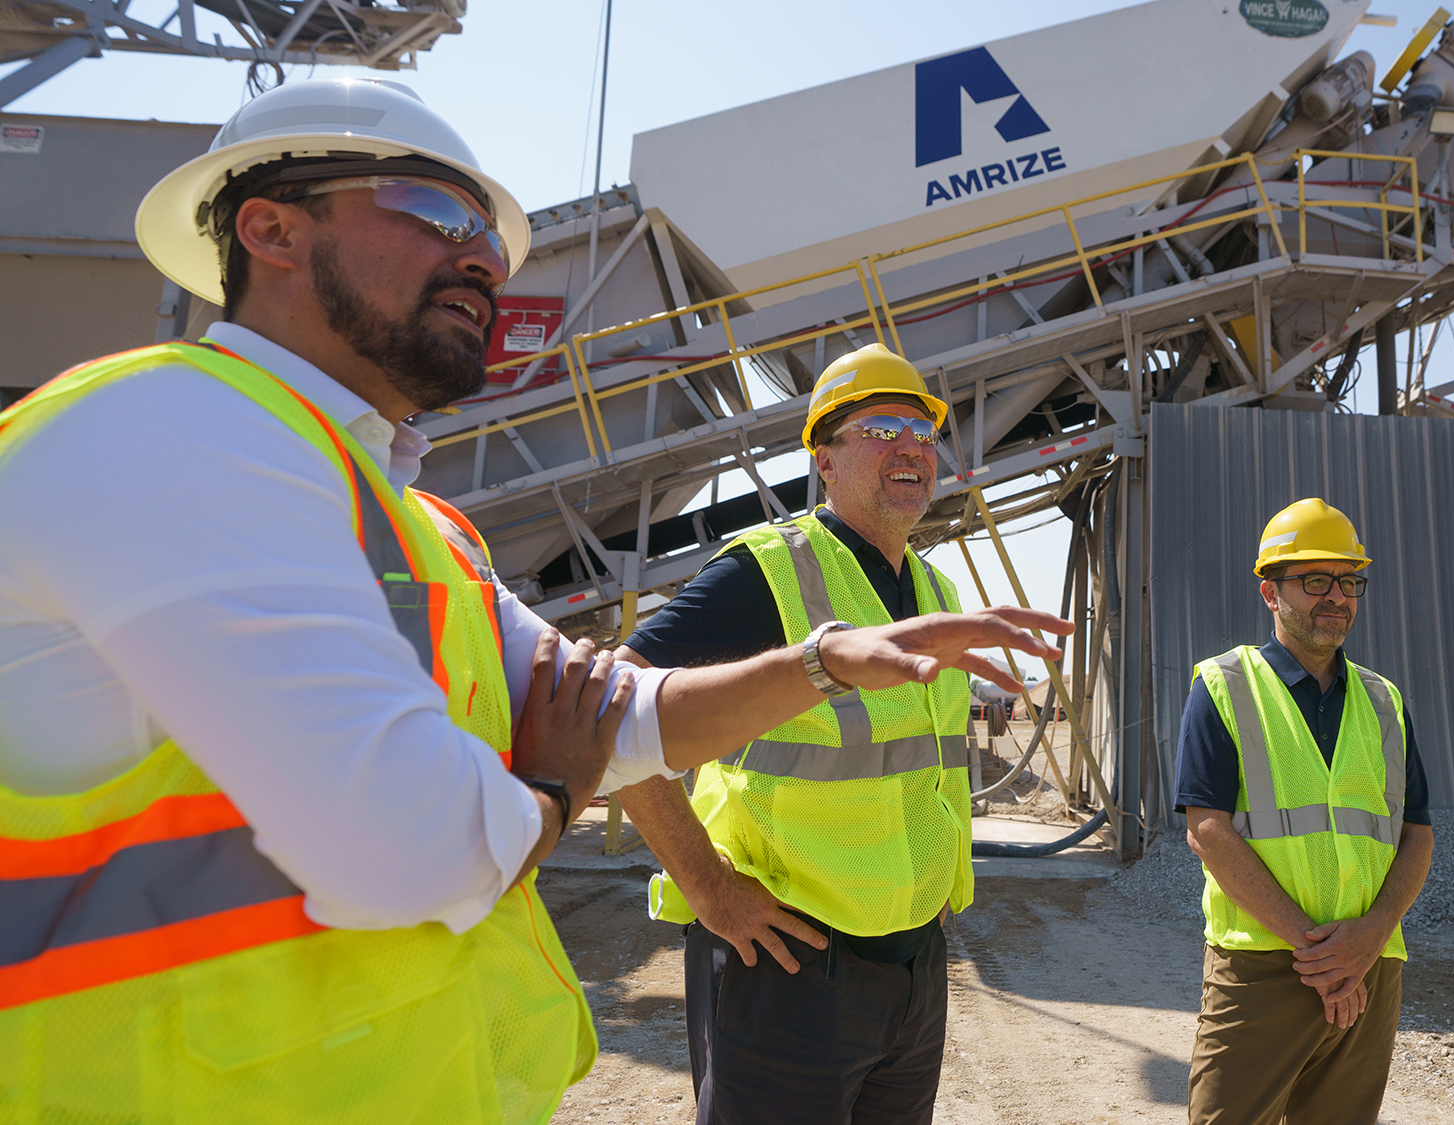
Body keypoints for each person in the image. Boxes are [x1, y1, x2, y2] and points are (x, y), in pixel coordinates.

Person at [0, 78, 1064, 1125]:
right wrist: (557, 788)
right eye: (434, 213)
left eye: (490, 238)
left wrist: (823, 661)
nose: (480, 256)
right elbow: (410, 852)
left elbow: (629, 716)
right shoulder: (163, 430)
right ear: (271, 230)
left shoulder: (426, 532)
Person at [612, 342, 1051, 1125]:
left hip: (913, 962)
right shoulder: (768, 574)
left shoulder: (933, 590)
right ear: (825, 457)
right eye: (882, 428)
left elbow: (927, 770)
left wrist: (934, 891)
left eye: (923, 429)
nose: (912, 445)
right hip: (784, 961)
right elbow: (608, 709)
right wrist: (709, 888)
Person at [1175, 498, 1435, 1125]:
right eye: (1315, 581)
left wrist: (1369, 939)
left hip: (1370, 965)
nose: (1337, 597)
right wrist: (1317, 951)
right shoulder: (1224, 686)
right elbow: (1207, 832)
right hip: (1264, 963)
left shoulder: (1384, 700)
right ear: (1271, 591)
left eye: (1349, 582)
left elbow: (1416, 833)